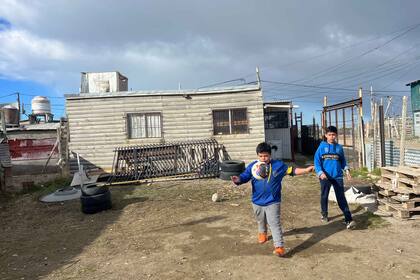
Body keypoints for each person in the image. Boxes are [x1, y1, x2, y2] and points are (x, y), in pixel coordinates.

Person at [231, 142, 314, 257]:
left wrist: (305, 170)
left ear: (270, 155)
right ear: (257, 156)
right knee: (260, 220)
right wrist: (238, 179)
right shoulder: (253, 166)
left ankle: (279, 246)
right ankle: (262, 233)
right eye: (260, 156)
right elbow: (245, 176)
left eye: (265, 156)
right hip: (257, 201)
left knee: (274, 223)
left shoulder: (278, 165)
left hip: (273, 201)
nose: (263, 158)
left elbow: (292, 171)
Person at [314, 126, 356, 229]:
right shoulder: (321, 147)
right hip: (325, 177)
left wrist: (346, 170)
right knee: (324, 196)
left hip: (337, 176)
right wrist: (320, 173)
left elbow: (342, 161)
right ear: (326, 135)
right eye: (329, 135)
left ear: (336, 135)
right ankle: (324, 214)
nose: (331, 137)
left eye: (333, 134)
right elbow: (317, 162)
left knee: (341, 197)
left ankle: (348, 219)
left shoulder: (339, 148)